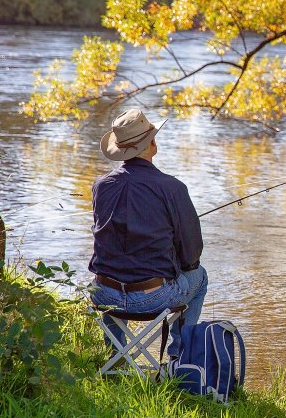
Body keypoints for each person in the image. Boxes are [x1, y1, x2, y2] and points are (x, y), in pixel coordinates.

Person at [88, 108, 208, 359]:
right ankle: (179, 359)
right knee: (200, 276)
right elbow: (191, 254)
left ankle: (115, 357)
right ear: (152, 144)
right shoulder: (172, 188)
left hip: (105, 295)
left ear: (120, 150)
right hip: (152, 299)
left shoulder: (101, 186)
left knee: (109, 271)